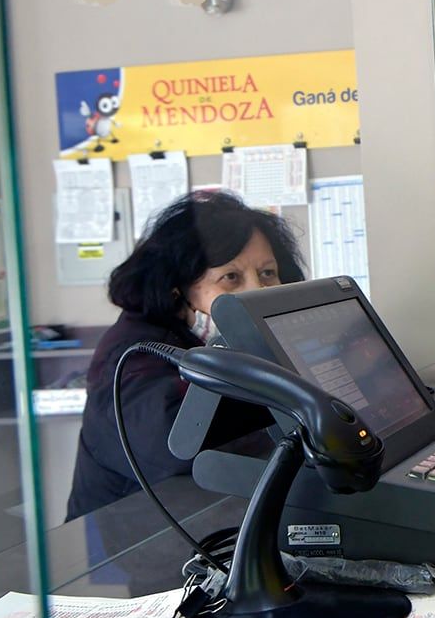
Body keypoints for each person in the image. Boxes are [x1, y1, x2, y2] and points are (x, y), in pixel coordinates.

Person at [66, 190, 306, 519]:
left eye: (267, 273)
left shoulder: (216, 342)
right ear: (176, 289)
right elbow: (174, 447)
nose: (257, 292)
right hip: (133, 550)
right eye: (231, 278)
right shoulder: (132, 353)